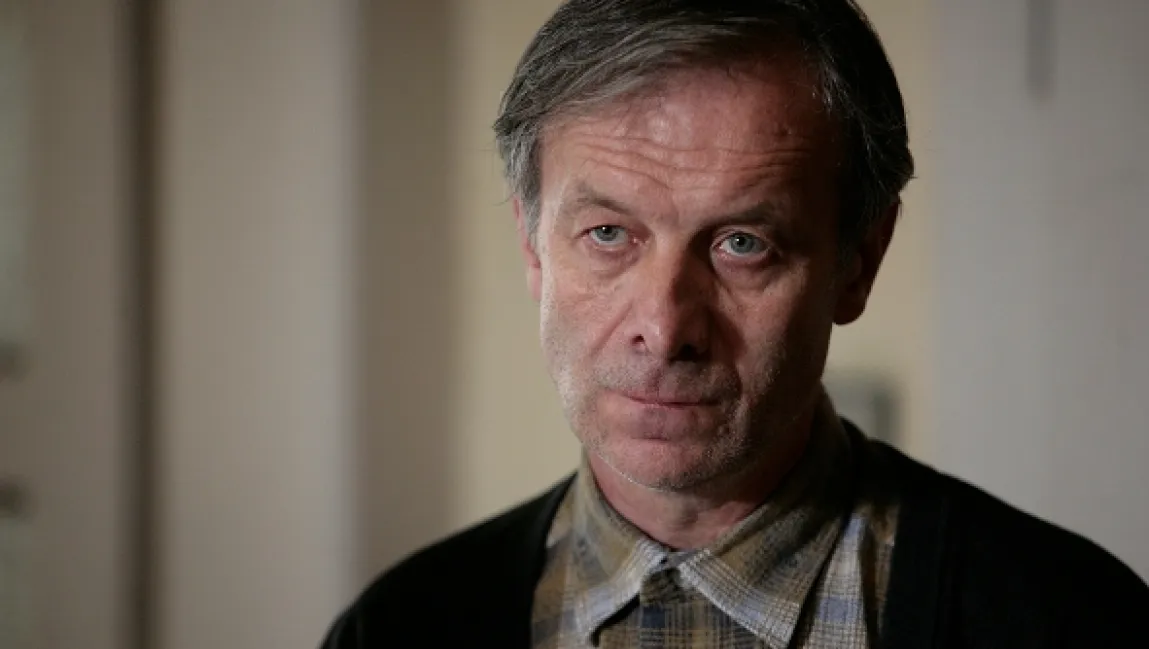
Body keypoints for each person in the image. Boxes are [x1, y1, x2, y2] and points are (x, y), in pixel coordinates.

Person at [321, 0, 1149, 647]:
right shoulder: (397, 629)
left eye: (742, 243)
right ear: (533, 247)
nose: (664, 327)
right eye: (607, 234)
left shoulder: (1072, 621)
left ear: (858, 261)